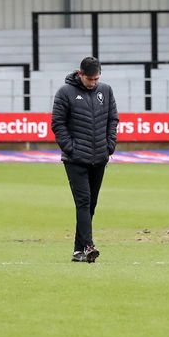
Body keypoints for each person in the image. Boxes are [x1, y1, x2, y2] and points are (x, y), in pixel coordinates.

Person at [51, 56, 118, 263]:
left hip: (99, 158)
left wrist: (109, 145)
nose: (94, 83)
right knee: (83, 202)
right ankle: (89, 246)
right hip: (75, 160)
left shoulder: (105, 91)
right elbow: (58, 124)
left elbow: (112, 119)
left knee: (91, 205)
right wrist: (71, 149)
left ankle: (77, 251)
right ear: (81, 75)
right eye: (90, 79)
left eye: (97, 79)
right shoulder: (65, 93)